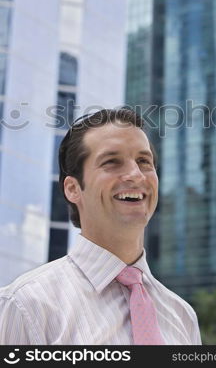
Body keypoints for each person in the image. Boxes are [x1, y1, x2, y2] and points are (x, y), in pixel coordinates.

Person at [0, 108, 201, 345]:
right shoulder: (26, 305)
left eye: (144, 161)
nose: (136, 175)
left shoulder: (182, 316)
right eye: (112, 162)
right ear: (73, 189)